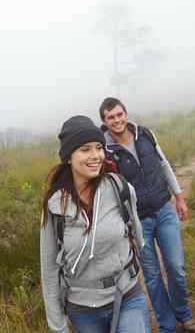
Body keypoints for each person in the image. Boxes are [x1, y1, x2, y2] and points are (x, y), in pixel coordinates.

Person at [99, 98, 195, 333]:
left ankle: (184, 315)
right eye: (110, 117)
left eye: (119, 114)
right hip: (137, 222)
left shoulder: (145, 134)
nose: (116, 120)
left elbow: (164, 165)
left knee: (176, 267)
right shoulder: (104, 151)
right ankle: (166, 326)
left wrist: (180, 198)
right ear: (104, 122)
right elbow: (109, 191)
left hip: (165, 210)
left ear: (125, 113)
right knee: (153, 277)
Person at [40, 115, 151, 333]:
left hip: (126, 293)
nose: (95, 156)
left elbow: (138, 237)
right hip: (83, 309)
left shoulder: (119, 187)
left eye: (99, 147)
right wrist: (57, 326)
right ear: (68, 157)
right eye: (85, 149)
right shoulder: (54, 205)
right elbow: (49, 269)